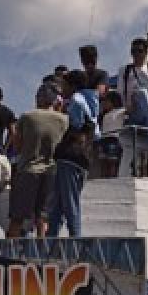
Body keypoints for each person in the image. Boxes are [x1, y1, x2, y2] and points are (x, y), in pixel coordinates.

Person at [7, 84, 69, 237]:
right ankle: (41, 254)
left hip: (28, 170)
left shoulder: (27, 117)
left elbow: (18, 147)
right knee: (43, 218)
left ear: (38, 98)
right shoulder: (64, 120)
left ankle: (11, 252)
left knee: (17, 217)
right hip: (51, 171)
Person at [48, 70, 96, 237]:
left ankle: (76, 240)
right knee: (58, 205)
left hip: (70, 157)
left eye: (65, 85)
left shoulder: (76, 101)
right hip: (80, 159)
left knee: (69, 203)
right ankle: (51, 241)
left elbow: (76, 127)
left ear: (73, 86)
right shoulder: (89, 100)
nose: (62, 88)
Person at [118, 36, 148, 177]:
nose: (136, 54)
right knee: (141, 93)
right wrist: (127, 106)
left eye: (140, 51)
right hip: (132, 113)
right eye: (134, 51)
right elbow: (121, 92)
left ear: (146, 52)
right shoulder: (125, 70)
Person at [96, 90, 127, 177]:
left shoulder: (122, 111)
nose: (104, 103)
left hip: (114, 139)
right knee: (103, 162)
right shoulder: (104, 115)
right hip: (103, 139)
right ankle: (103, 180)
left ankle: (112, 181)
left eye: (106, 101)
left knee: (112, 162)